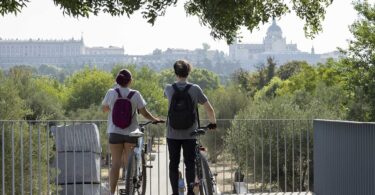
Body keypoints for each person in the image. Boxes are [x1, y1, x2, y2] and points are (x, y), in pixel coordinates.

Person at [102, 69, 162, 195]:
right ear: (130, 81)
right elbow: (145, 113)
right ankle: (131, 185)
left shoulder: (111, 92)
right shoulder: (136, 94)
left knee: (115, 164)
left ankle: (112, 193)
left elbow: (105, 109)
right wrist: (155, 119)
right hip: (131, 133)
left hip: (114, 132)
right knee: (130, 162)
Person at [164, 60, 217, 195]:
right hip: (190, 134)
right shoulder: (195, 89)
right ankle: (191, 192)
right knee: (190, 164)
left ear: (175, 72)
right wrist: (213, 123)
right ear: (188, 72)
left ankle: (175, 192)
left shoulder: (169, 89)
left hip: (172, 134)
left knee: (173, 164)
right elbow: (209, 109)